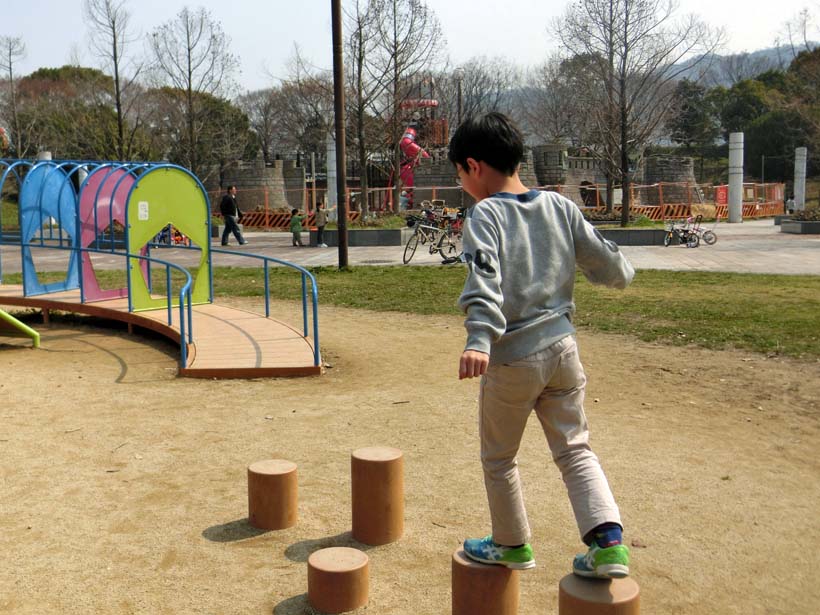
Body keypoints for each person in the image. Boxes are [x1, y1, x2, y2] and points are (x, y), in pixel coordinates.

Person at [449, 112, 634, 579]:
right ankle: (609, 545)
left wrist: (478, 339)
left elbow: (484, 279)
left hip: (513, 357)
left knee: (498, 458)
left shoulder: (486, 214)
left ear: (474, 166)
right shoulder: (560, 206)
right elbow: (601, 256)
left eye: (459, 174)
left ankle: (511, 544)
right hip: (563, 350)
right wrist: (622, 273)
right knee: (575, 449)